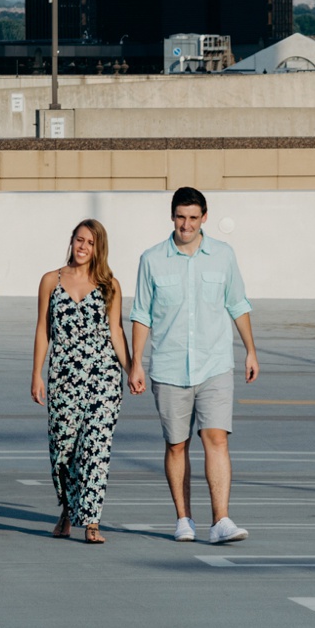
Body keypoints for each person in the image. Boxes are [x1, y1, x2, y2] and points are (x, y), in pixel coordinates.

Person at [129, 186, 259, 546]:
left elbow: (238, 303)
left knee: (215, 438)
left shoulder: (223, 255)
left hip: (215, 364)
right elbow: (141, 314)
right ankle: (183, 519)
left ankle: (221, 521)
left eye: (193, 217)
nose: (186, 225)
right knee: (176, 445)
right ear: (172, 217)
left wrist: (250, 350)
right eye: (180, 217)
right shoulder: (152, 259)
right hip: (169, 367)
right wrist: (136, 363)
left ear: (204, 217)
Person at [30, 218, 132, 544]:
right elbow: (42, 331)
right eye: (79, 240)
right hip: (63, 376)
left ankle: (91, 521)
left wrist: (133, 370)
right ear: (71, 242)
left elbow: (116, 331)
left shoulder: (109, 285)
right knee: (63, 449)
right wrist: (36, 374)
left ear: (98, 247)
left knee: (95, 448)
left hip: (103, 377)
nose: (83, 247)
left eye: (89, 242)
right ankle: (67, 508)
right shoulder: (50, 280)